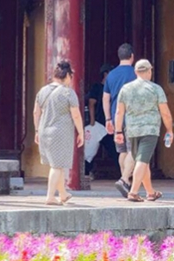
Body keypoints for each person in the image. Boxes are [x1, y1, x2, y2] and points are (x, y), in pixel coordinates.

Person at [114, 59, 173, 202]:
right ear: (149, 71)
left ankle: (150, 192)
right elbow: (165, 112)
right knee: (142, 160)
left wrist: (118, 131)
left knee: (142, 161)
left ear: (135, 72)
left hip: (132, 130)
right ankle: (133, 192)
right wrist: (169, 130)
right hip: (150, 129)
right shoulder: (155, 89)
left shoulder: (126, 89)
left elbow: (119, 112)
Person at [35, 60, 85, 206]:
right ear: (68, 75)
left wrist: (37, 130)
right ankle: (50, 196)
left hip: (44, 129)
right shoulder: (68, 93)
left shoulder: (42, 91)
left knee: (59, 163)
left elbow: (35, 112)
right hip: (60, 132)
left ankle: (63, 194)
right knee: (57, 166)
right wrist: (81, 132)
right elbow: (76, 115)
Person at [102, 44, 137, 198]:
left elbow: (106, 99)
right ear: (132, 56)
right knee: (133, 151)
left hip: (116, 117)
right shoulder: (136, 73)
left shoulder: (111, 75)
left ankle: (126, 182)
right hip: (132, 117)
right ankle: (125, 180)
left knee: (122, 150)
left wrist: (108, 118)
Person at [85, 63, 116, 176]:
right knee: (90, 150)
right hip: (98, 124)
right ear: (105, 74)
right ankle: (86, 172)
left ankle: (121, 173)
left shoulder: (112, 88)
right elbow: (91, 103)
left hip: (108, 124)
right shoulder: (97, 87)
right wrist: (93, 121)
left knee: (113, 149)